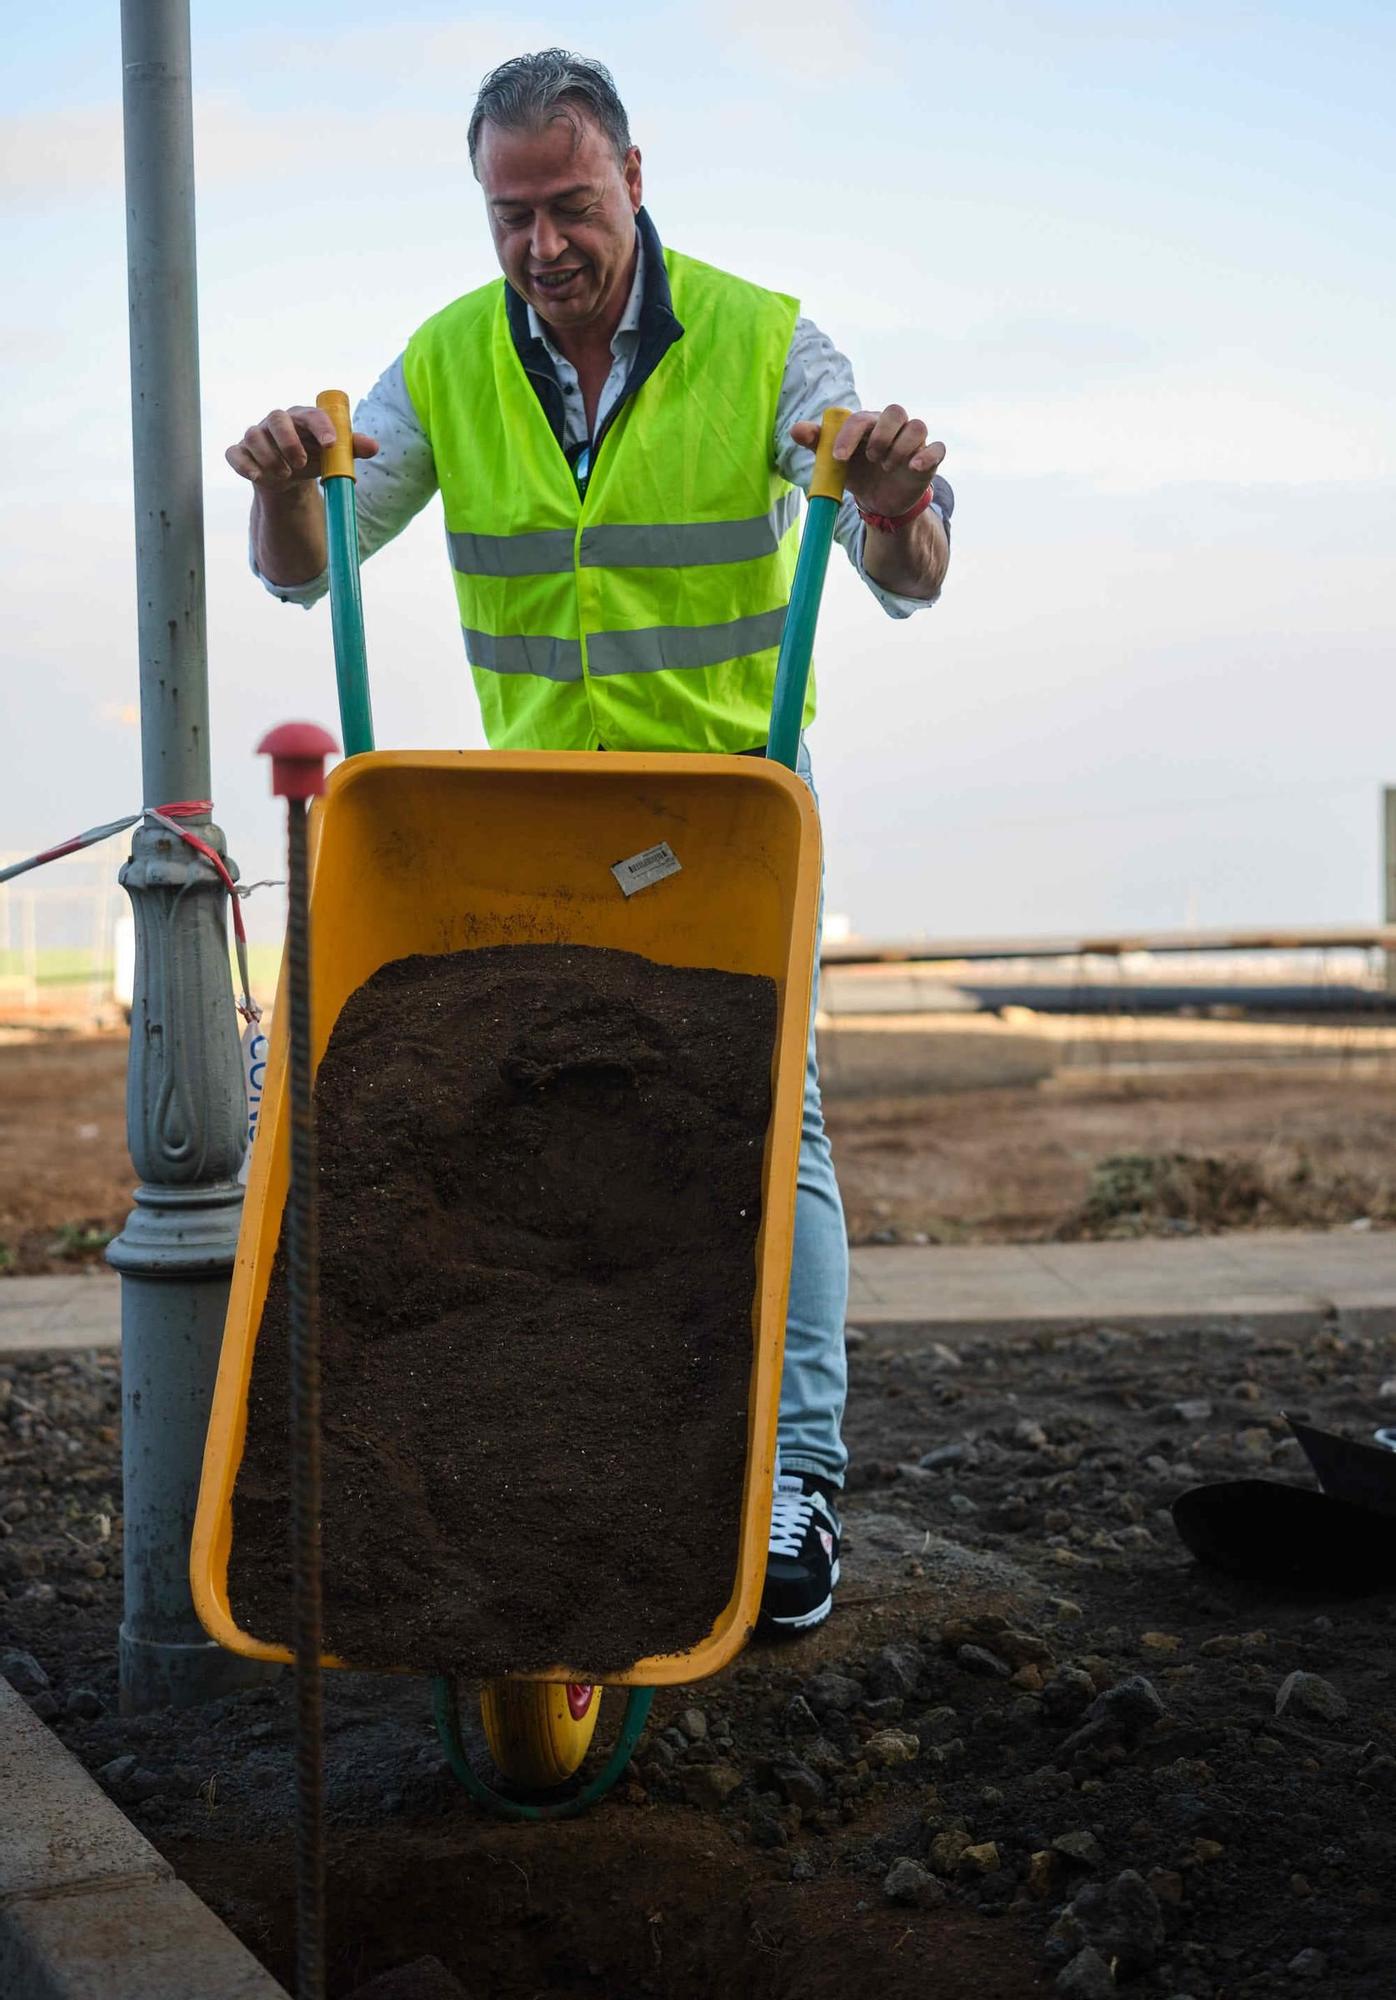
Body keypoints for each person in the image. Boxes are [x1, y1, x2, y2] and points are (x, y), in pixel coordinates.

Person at [228, 50, 953, 1636]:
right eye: (511, 215)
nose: (543, 245)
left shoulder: (767, 342)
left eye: (571, 205)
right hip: (532, 825)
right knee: (521, 1121)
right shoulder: (448, 361)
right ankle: (540, 1454)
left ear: (636, 176)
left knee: (781, 1121)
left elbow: (908, 566)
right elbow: (309, 564)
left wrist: (895, 494)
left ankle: (796, 1488)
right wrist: (290, 486)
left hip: (729, 811)